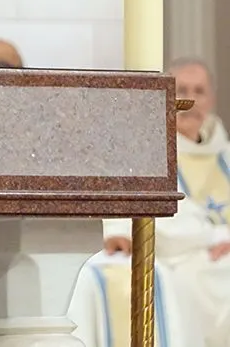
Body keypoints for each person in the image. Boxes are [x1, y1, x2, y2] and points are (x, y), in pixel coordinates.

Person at [100, 57, 230, 347]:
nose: (190, 99)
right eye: (181, 89)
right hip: (179, 261)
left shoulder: (226, 156)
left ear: (212, 100)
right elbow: (147, 222)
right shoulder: (146, 154)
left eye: (199, 91)